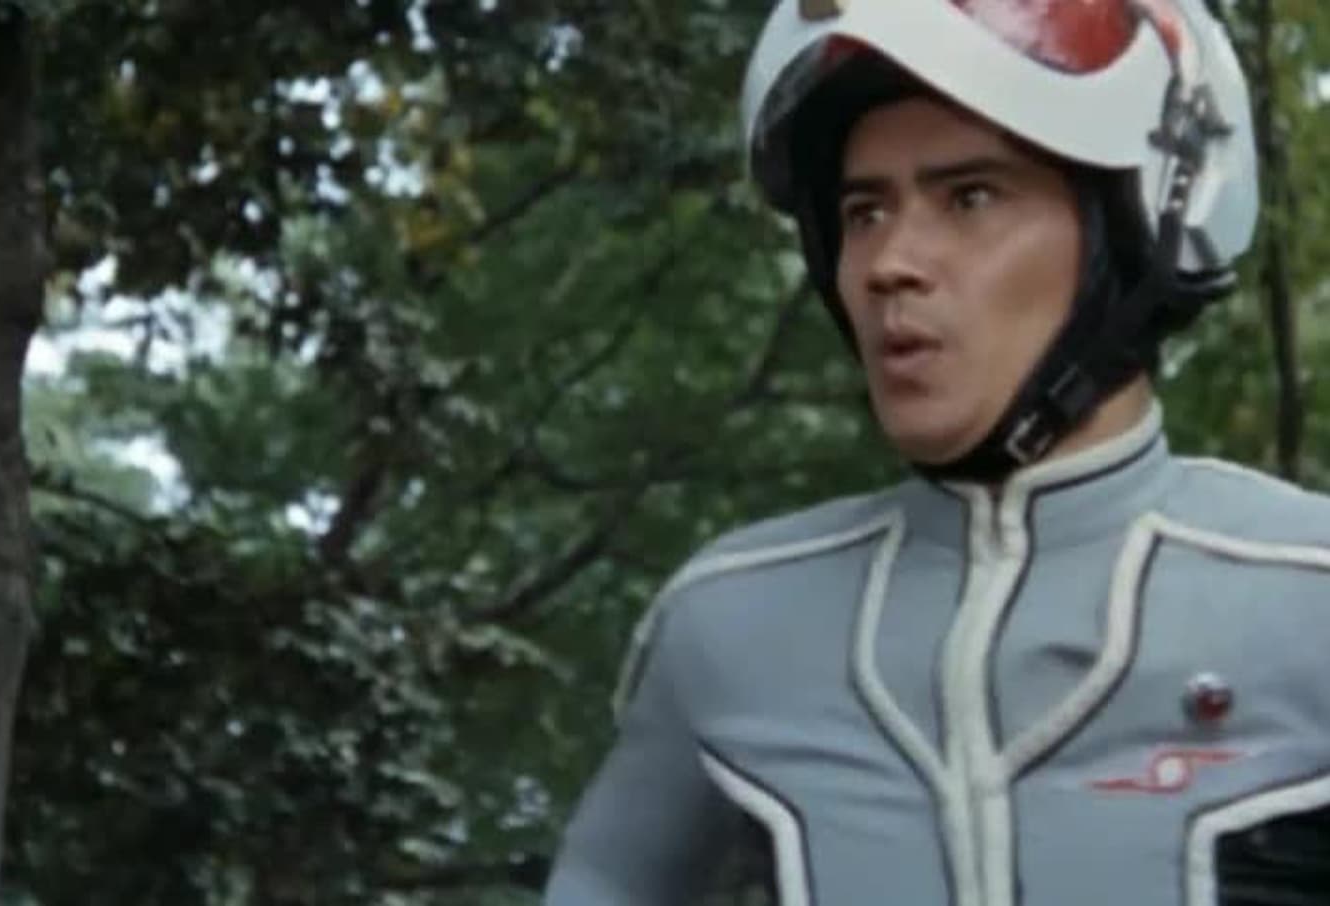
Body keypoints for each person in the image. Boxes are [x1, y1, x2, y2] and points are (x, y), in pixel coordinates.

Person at [542, 2, 1330, 904]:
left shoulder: (1309, 592)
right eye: (865, 211)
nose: (890, 262)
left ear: (1139, 229)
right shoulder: (728, 625)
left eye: (970, 197)